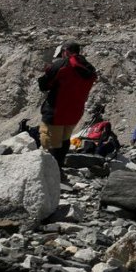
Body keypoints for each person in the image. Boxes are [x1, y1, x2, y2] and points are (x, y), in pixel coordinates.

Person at [37, 41, 98, 176]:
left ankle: (51, 175)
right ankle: (59, 169)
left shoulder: (61, 65)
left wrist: (47, 72)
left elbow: (44, 85)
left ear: (66, 51)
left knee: (50, 144)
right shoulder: (89, 68)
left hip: (56, 111)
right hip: (74, 112)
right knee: (64, 141)